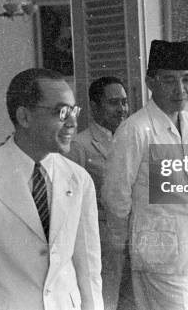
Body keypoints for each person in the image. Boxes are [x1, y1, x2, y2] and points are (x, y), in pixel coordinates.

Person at [0, 68, 103, 310]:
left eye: (74, 110)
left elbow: (89, 270)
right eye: (62, 112)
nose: (73, 122)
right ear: (24, 117)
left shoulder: (79, 180)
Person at [102, 40, 188, 310]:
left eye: (186, 80)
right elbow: (115, 196)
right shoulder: (136, 129)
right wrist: (123, 246)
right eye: (169, 80)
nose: (180, 89)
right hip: (158, 254)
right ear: (150, 82)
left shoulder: (187, 122)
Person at [66, 76, 132, 310]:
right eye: (114, 103)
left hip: (135, 240)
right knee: (106, 301)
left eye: (124, 102)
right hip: (103, 244)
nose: (122, 109)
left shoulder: (133, 139)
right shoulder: (79, 146)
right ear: (94, 107)